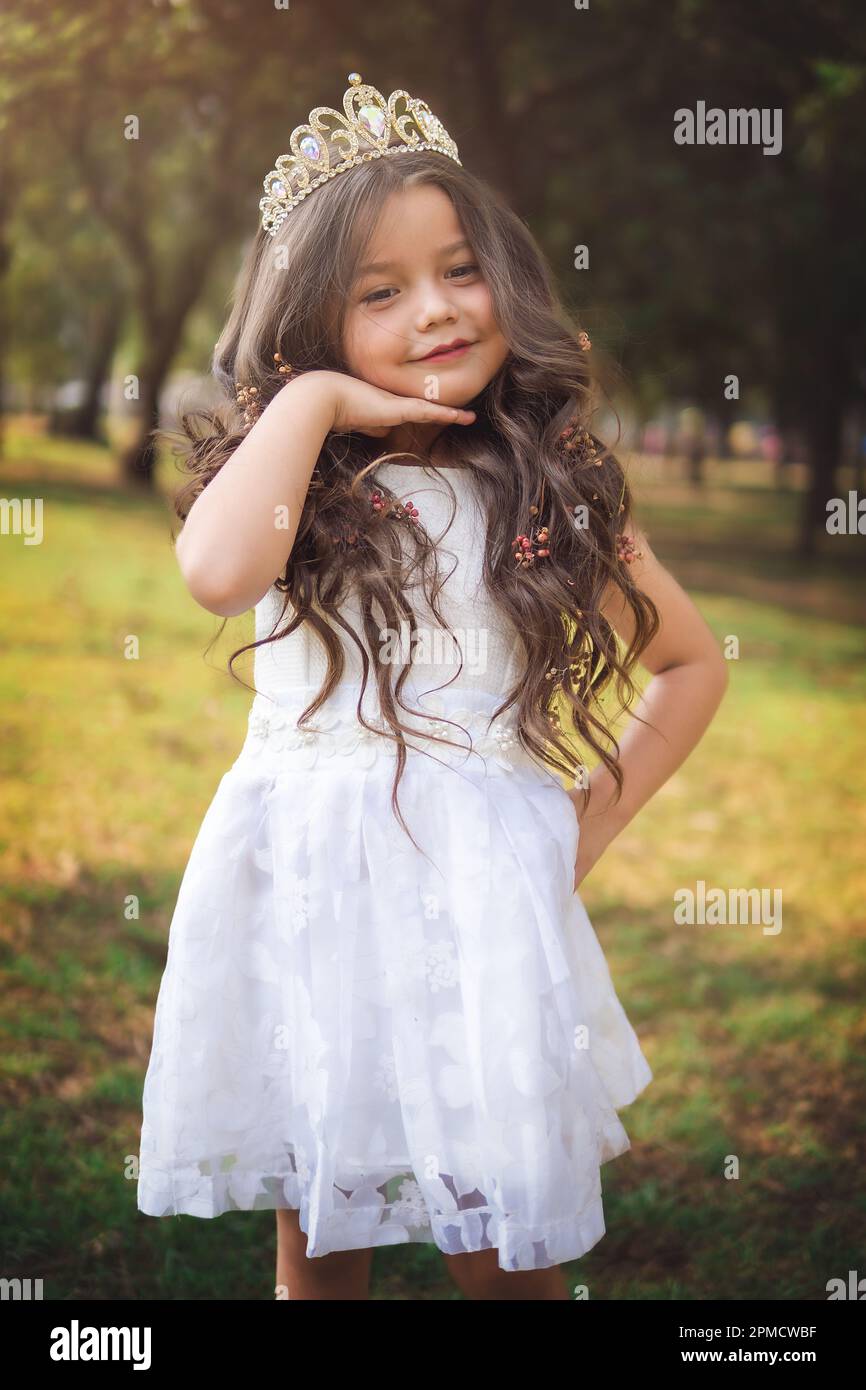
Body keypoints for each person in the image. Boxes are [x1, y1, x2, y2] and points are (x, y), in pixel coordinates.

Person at [136, 73, 728, 1301]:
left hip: (474, 907)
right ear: (311, 324)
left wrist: (583, 819)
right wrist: (313, 403)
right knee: (319, 1226)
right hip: (302, 898)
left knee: (499, 1236)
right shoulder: (299, 472)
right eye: (379, 291)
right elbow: (211, 569)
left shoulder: (544, 485)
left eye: (459, 269)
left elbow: (689, 662)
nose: (436, 311)